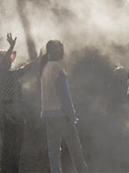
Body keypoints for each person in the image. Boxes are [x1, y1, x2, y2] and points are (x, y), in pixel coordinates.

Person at [0, 33, 39, 173]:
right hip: (7, 113)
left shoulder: (10, 73)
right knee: (9, 146)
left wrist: (39, 59)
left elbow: (26, 68)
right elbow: (6, 66)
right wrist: (11, 46)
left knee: (15, 146)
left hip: (16, 112)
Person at [40, 40, 88, 173]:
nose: (61, 51)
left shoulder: (45, 67)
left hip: (47, 114)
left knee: (54, 154)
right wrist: (71, 115)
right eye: (59, 49)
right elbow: (64, 94)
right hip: (61, 114)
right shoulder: (57, 68)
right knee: (76, 151)